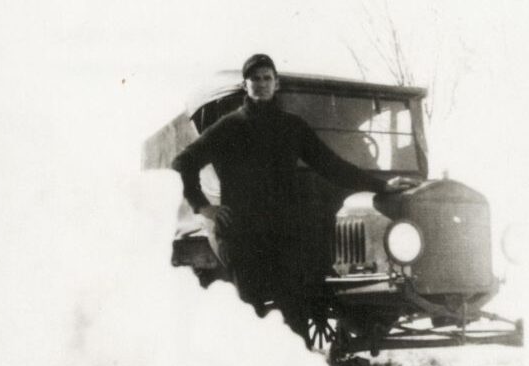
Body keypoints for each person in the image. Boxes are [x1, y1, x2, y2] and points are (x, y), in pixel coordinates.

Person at [172, 54, 417, 343]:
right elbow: (182, 163)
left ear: (276, 84)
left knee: (297, 322)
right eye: (255, 79)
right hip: (243, 239)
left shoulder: (292, 127)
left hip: (284, 238)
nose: (261, 84)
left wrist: (383, 186)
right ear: (245, 85)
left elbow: (332, 166)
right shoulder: (229, 127)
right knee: (254, 319)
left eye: (267, 78)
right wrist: (204, 208)